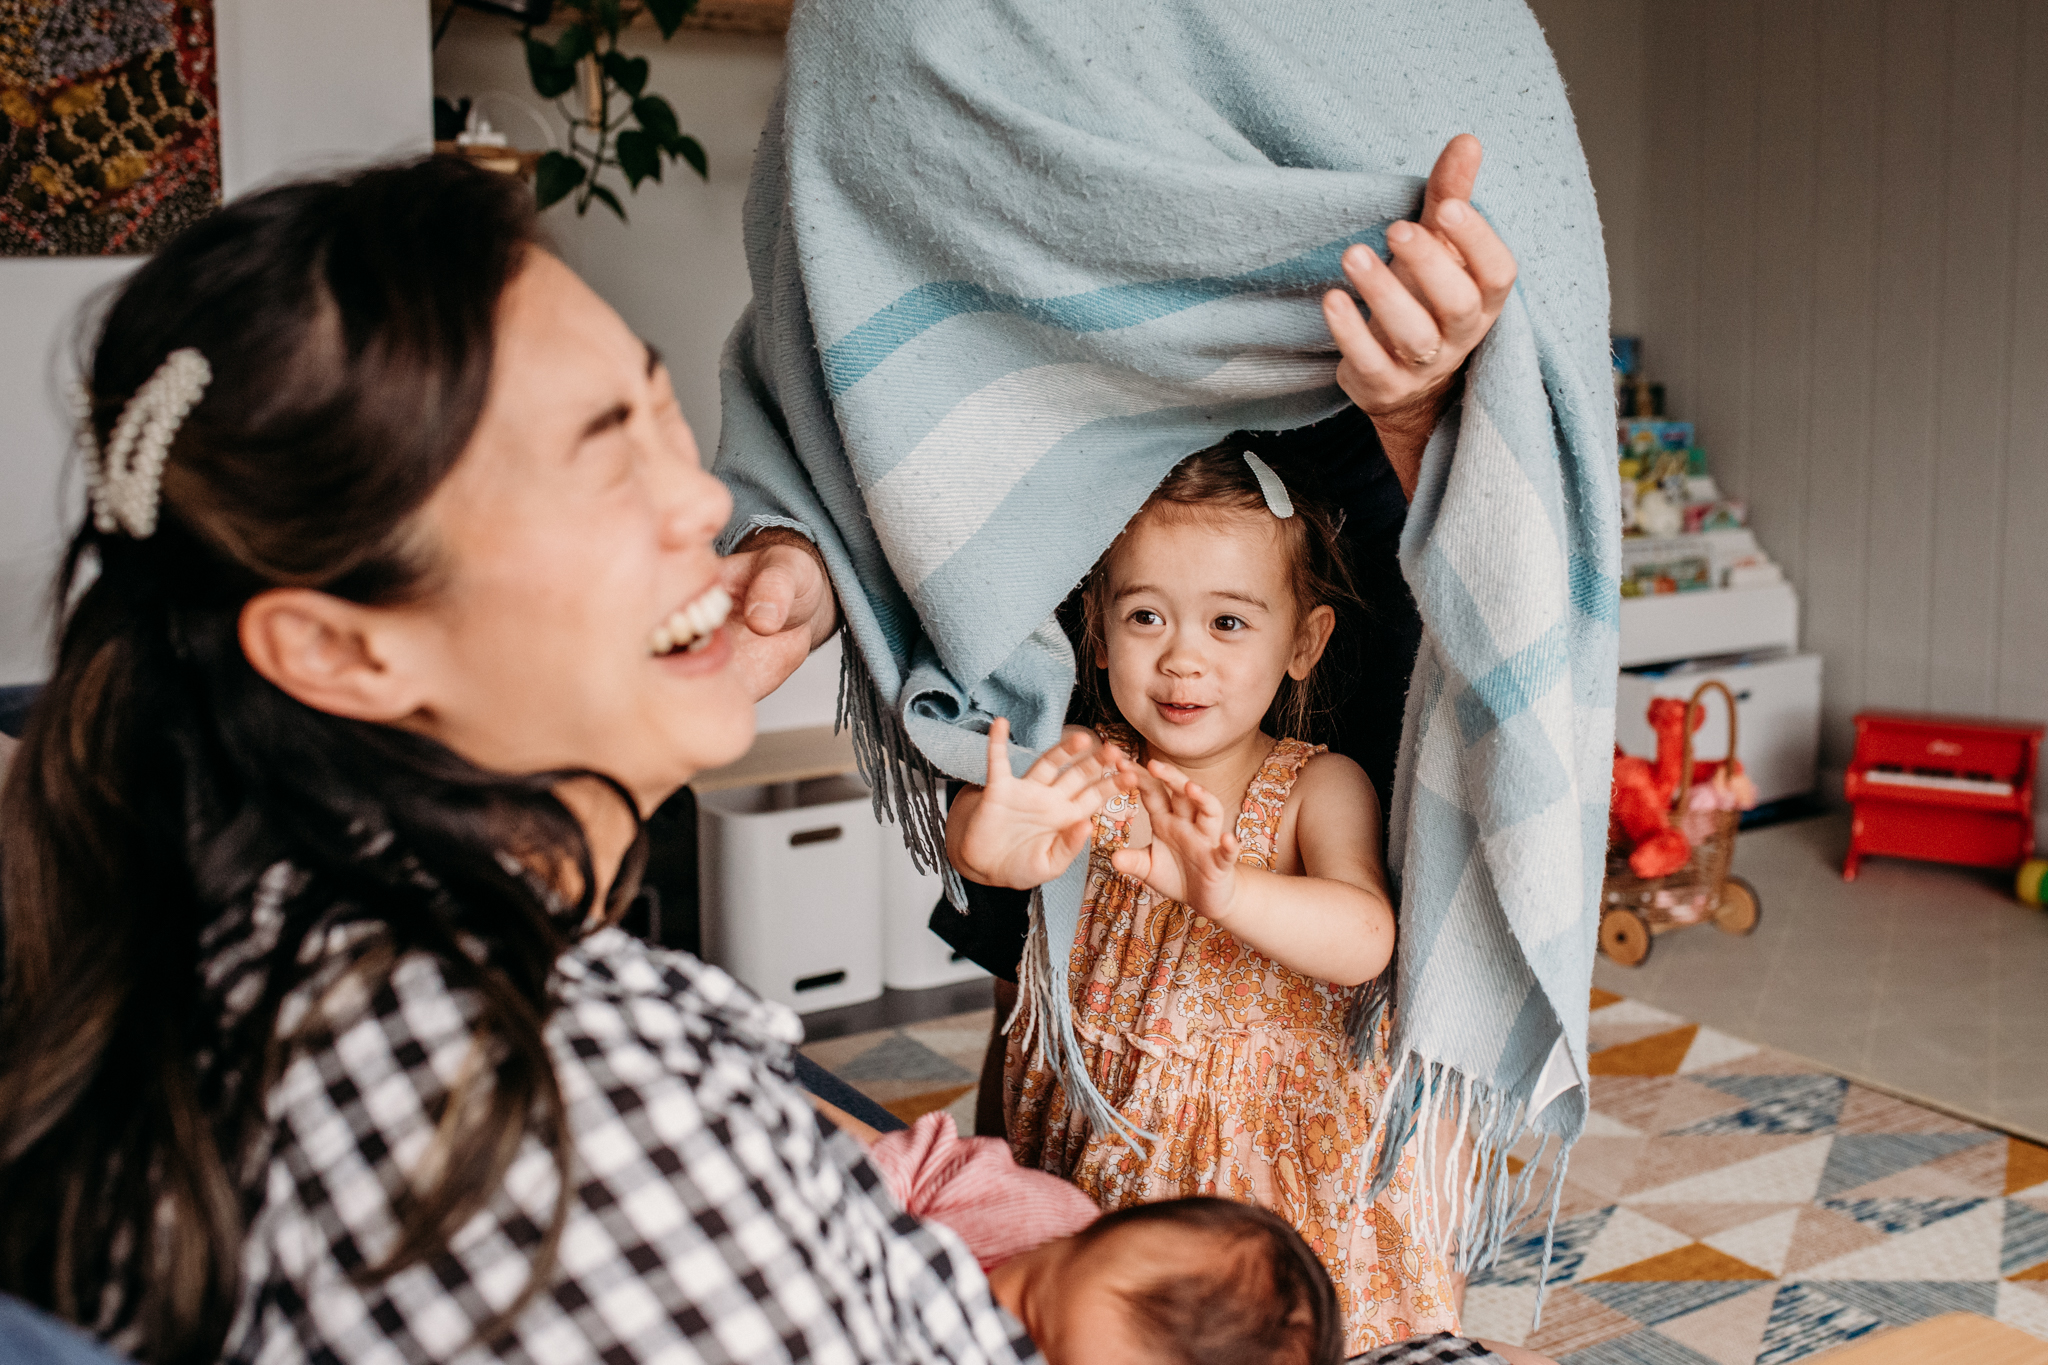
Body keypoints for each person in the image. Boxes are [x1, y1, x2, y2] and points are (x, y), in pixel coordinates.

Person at [0, 157, 1036, 1365]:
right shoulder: (539, 1119)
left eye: (662, 415)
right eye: (604, 459)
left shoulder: (280, 930)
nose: (701, 504)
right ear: (338, 650)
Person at [943, 448, 1454, 1354]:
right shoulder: (1094, 762)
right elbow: (1005, 842)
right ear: (1098, 635)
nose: (1183, 656)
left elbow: (1368, 934)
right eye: (1147, 615)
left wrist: (1225, 888)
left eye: (1228, 622)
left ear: (1304, 642)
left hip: (1265, 1174)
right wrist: (983, 844)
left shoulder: (1315, 785)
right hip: (1107, 1126)